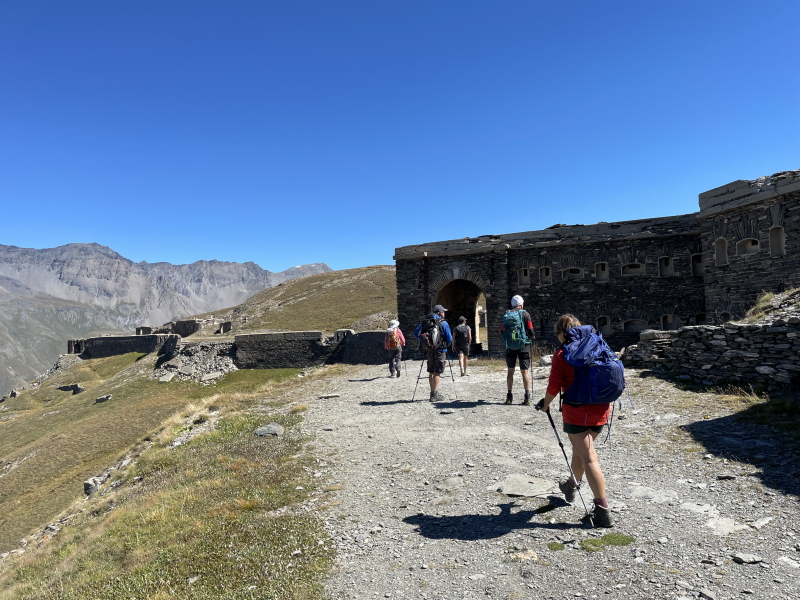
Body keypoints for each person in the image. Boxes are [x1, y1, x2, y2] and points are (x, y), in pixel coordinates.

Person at [539, 314, 614, 528]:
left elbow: (554, 385)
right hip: (600, 410)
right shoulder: (598, 347)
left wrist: (545, 404)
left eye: (558, 334)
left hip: (576, 412)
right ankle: (571, 485)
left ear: (563, 333)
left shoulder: (562, 353)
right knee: (580, 451)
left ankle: (603, 510)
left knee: (589, 458)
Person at [500, 295, 535, 405]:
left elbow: (502, 330)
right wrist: (531, 337)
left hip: (510, 346)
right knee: (525, 372)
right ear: (521, 304)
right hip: (524, 345)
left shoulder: (507, 315)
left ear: (512, 304)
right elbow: (530, 329)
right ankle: (527, 397)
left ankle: (509, 397)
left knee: (510, 371)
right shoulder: (526, 314)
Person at [413, 304, 453, 401]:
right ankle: (434, 394)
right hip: (440, 350)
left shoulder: (425, 322)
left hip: (429, 350)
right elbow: (449, 338)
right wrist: (446, 345)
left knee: (431, 371)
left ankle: (432, 392)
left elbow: (416, 333)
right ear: (440, 313)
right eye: (443, 312)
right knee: (437, 372)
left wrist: (424, 343)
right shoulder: (443, 323)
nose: (444, 313)